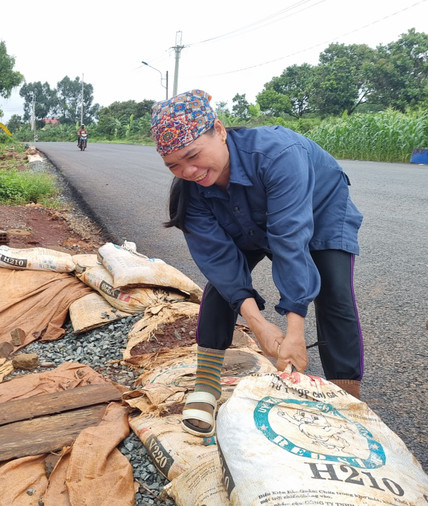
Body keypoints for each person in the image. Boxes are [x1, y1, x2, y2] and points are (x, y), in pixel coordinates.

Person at [151, 89, 364, 438]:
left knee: (334, 291)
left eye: (193, 155)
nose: (188, 170)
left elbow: (289, 240)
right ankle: (205, 387)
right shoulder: (192, 192)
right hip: (242, 212)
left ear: (219, 130)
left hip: (318, 207)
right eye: (174, 165)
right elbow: (219, 261)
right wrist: (260, 325)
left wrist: (294, 331)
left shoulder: (279, 154)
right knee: (221, 288)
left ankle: (347, 402)